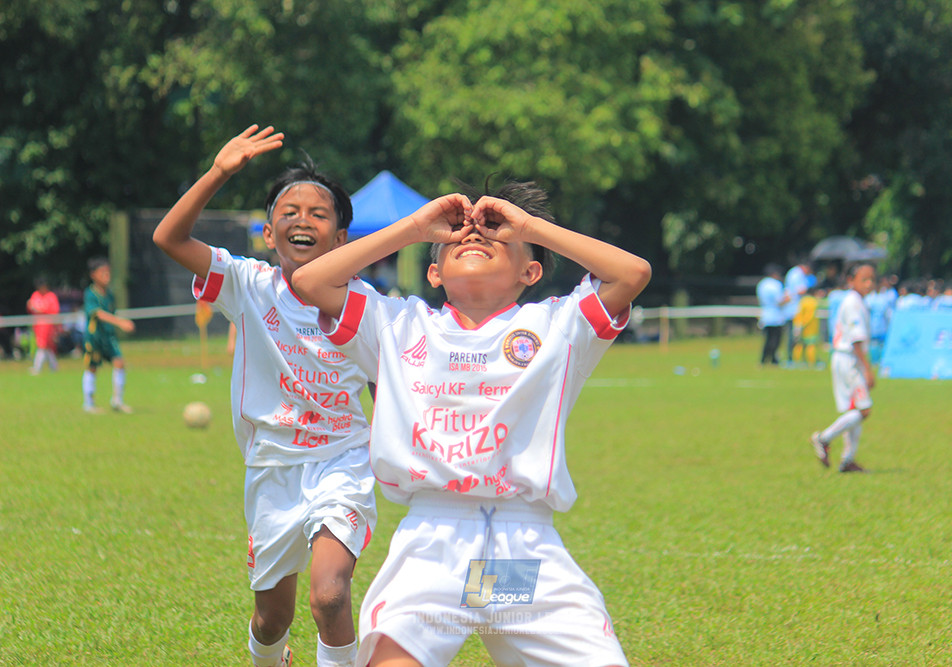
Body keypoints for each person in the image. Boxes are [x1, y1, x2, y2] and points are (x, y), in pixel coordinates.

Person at [291, 179, 651, 667]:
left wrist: (532, 226)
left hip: (521, 556)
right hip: (432, 545)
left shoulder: (558, 327)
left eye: (496, 234)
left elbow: (632, 273)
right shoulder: (397, 324)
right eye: (457, 235)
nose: (473, 237)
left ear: (531, 269)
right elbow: (311, 282)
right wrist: (414, 228)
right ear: (434, 273)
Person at [152, 125, 376, 667]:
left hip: (342, 461)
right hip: (271, 468)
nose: (303, 219)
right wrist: (220, 172)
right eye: (289, 211)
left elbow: (386, 388)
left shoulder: (367, 304)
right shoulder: (247, 284)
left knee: (329, 593)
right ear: (269, 234)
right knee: (271, 618)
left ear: (343, 237)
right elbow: (169, 239)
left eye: (319, 214)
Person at [810, 262, 876, 473]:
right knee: (863, 410)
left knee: (853, 411)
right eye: (864, 279)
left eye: (872, 279)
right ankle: (823, 438)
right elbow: (857, 340)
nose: (869, 284)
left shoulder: (855, 301)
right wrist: (867, 368)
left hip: (843, 357)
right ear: (851, 281)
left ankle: (848, 460)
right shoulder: (853, 303)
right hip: (849, 359)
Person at [82, 257, 135, 413]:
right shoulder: (90, 294)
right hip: (95, 338)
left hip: (108, 337)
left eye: (108, 273)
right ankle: (88, 403)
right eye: (103, 273)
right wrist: (120, 322)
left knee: (119, 362)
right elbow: (97, 314)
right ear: (93, 275)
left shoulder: (109, 294)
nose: (107, 276)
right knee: (92, 367)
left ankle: (117, 401)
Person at [27, 275, 61, 374]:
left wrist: (41, 310)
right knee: (45, 347)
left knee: (44, 346)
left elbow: (54, 310)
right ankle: (53, 367)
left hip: (48, 325)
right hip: (38, 325)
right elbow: (31, 306)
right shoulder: (35, 295)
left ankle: (37, 368)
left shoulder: (51, 296)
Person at [783, 260, 813, 363]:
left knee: (793, 334)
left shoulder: (792, 273)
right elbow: (801, 290)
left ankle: (793, 357)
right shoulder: (798, 274)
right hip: (795, 310)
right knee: (796, 335)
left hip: (792, 308)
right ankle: (792, 357)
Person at [756, 263, 787, 366]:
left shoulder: (762, 284)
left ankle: (764, 359)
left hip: (765, 314)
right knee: (775, 340)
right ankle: (773, 359)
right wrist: (788, 298)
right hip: (776, 316)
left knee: (767, 339)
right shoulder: (775, 284)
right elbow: (779, 300)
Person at [792, 285, 823, 369]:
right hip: (810, 328)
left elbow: (798, 313)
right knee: (811, 345)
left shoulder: (802, 300)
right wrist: (804, 324)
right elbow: (810, 316)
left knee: (799, 344)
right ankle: (811, 363)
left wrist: (798, 324)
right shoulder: (813, 301)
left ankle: (796, 361)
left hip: (799, 325)